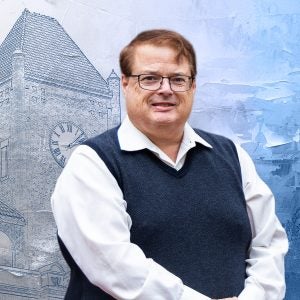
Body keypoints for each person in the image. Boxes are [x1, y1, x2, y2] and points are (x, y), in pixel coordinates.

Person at [51, 29, 288, 300]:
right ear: (125, 84)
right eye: (149, 78)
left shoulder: (232, 156)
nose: (165, 89)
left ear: (193, 86)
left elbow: (269, 245)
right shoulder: (92, 163)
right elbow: (114, 266)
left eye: (178, 79)